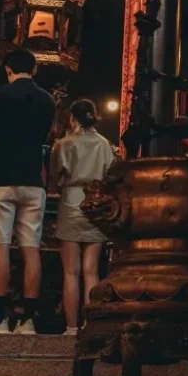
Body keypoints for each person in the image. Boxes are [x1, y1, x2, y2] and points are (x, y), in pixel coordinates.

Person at [0, 48, 56, 335]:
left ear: (8, 70)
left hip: (1, 178)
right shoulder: (47, 99)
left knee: (0, 247)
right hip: (34, 182)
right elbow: (46, 136)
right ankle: (27, 320)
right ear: (34, 70)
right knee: (31, 249)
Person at [50, 98, 115, 335]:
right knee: (92, 271)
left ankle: (71, 327)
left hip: (70, 202)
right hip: (96, 203)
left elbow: (54, 181)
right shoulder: (105, 144)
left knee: (70, 272)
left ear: (72, 118)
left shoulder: (63, 144)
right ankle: (92, 325)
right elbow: (111, 175)